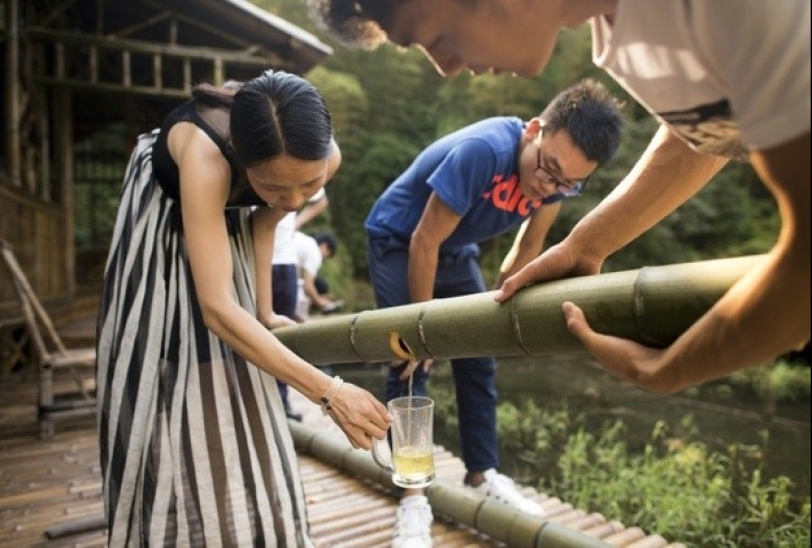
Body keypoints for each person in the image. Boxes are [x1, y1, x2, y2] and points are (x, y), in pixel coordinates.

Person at [307, 0, 811, 395]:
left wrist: (668, 369)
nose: (446, 68)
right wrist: (588, 244)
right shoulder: (622, 33)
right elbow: (707, 130)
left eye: (436, 38)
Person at [95, 69, 391, 546]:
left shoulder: (321, 156)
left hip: (226, 227)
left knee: (242, 365)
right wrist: (331, 392)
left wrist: (263, 310)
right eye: (275, 187)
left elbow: (266, 225)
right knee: (164, 369)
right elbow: (214, 307)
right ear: (242, 158)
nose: (295, 202)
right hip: (165, 218)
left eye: (309, 186)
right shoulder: (207, 154)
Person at [364, 79, 623, 547]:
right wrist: (424, 333)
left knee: (480, 359)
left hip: (455, 250)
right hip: (400, 242)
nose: (550, 187)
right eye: (549, 171)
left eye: (568, 183)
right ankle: (412, 497)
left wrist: (506, 305)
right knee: (409, 363)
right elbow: (424, 240)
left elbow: (528, 246)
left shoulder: (558, 184)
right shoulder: (483, 151)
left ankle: (481, 474)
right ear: (533, 131)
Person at [272, 188, 329, 422]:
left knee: (281, 337)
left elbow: (321, 198)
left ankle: (281, 401)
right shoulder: (313, 251)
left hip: (283, 263)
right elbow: (308, 286)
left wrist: (295, 219)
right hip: (254, 259)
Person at [295, 231, 344, 322]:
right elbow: (308, 286)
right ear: (324, 247)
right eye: (327, 255)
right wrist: (320, 302)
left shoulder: (305, 243)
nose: (324, 259)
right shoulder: (315, 252)